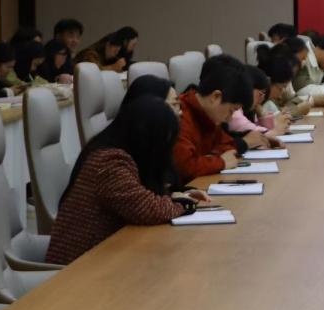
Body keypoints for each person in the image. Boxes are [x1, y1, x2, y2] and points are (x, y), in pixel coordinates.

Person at [45, 97, 209, 265]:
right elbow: (147, 209)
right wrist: (183, 204)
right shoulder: (109, 163)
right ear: (147, 138)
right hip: (76, 267)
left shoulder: (118, 153)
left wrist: (177, 196)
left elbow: (141, 197)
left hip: (102, 256)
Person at [173, 54, 251, 182]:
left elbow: (228, 146)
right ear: (215, 97)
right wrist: (220, 162)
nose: (229, 118)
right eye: (231, 111)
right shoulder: (179, 115)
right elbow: (185, 167)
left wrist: (209, 159)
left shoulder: (209, 116)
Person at [229, 65, 287, 147]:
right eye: (260, 94)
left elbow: (259, 130)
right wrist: (277, 129)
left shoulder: (249, 111)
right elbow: (261, 134)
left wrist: (262, 114)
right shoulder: (235, 112)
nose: (262, 99)